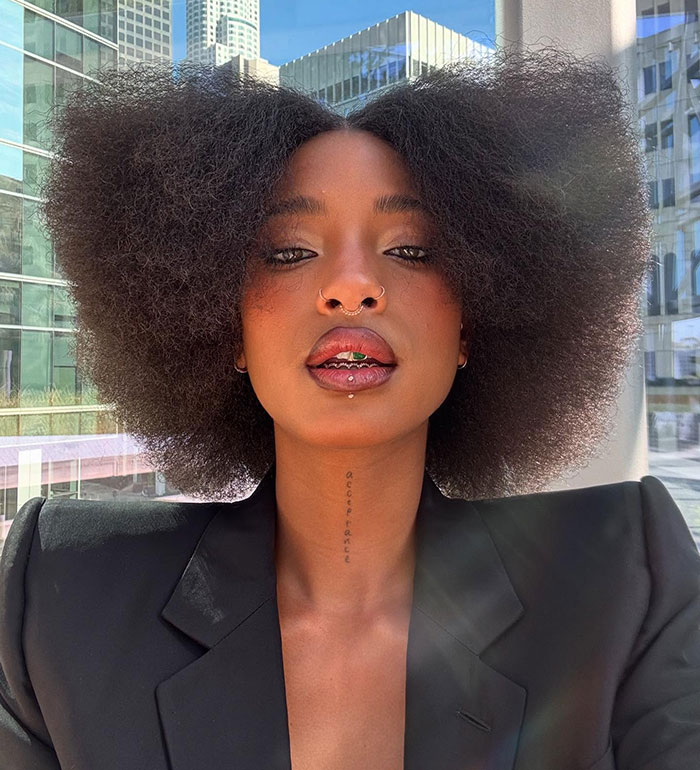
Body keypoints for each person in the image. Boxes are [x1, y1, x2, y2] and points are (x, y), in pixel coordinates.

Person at [1, 45, 699, 770]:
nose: (352, 287)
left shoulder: (627, 578)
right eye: (290, 251)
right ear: (220, 321)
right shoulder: (59, 597)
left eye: (412, 250)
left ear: (475, 321)